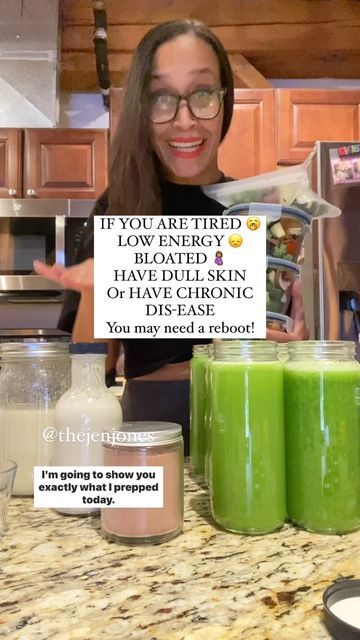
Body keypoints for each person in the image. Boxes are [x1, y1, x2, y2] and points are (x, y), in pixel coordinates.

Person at [34, 19, 308, 454]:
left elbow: (287, 339)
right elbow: (90, 372)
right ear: (145, 106)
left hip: (248, 416)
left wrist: (293, 347)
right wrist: (97, 289)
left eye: (202, 94)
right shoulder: (119, 208)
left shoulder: (256, 215)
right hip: (147, 425)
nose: (184, 121)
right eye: (162, 97)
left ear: (224, 101)